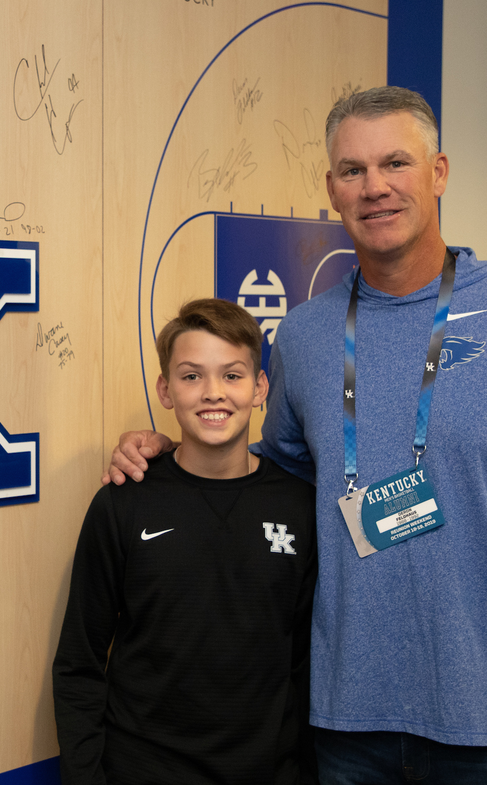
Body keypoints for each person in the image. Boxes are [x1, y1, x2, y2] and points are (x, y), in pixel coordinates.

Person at [105, 87, 487, 785]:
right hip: (347, 727)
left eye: (396, 163)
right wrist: (181, 456)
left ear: (438, 172)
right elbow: (280, 474)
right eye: (353, 170)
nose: (375, 186)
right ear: (332, 189)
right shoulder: (305, 334)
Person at [54, 298, 318, 785]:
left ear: (261, 388)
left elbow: (304, 663)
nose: (213, 393)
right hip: (144, 771)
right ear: (166, 389)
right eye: (192, 376)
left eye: (233, 375)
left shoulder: (300, 506)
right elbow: (78, 664)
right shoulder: (123, 503)